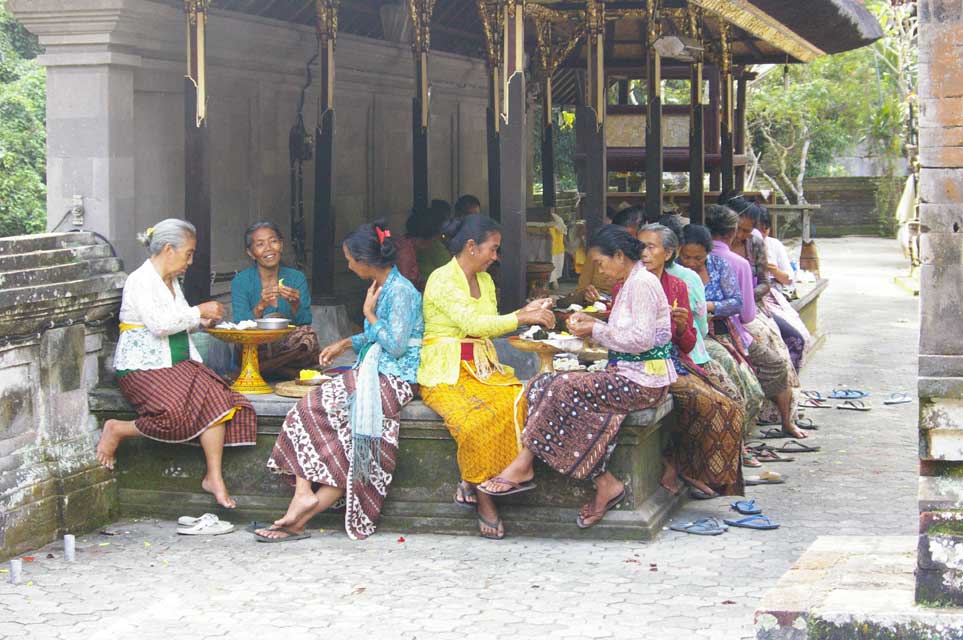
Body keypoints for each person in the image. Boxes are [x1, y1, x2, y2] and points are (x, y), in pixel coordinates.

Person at [479, 225, 675, 529]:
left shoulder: (643, 284)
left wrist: (595, 330)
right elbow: (627, 332)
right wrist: (594, 324)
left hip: (644, 382)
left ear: (620, 256)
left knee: (562, 386)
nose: (600, 271)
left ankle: (523, 465)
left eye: (600, 263)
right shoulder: (631, 283)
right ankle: (603, 480)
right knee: (542, 384)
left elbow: (642, 340)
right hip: (627, 375)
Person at [257, 221, 423, 541]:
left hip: (396, 378)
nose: (347, 265)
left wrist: (368, 313)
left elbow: (396, 344)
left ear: (365, 259)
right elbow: (378, 338)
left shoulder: (400, 291)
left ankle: (301, 509)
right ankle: (301, 502)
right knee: (314, 414)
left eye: (349, 259)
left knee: (319, 412)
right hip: (375, 370)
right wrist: (345, 344)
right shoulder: (382, 285)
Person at [96, 218, 256, 509]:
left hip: (179, 365)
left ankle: (214, 476)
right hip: (143, 369)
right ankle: (117, 428)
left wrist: (202, 321)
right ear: (169, 249)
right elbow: (159, 325)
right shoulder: (140, 280)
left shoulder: (171, 282)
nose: (190, 261)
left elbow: (180, 321)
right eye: (189, 253)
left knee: (221, 400)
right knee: (172, 415)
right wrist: (198, 311)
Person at [417, 214, 555, 540]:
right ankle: (484, 498)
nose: (495, 256)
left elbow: (489, 326)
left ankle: (495, 476)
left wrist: (526, 312)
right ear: (471, 246)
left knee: (516, 400)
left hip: (484, 370)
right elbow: (473, 326)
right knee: (473, 419)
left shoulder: (488, 282)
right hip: (445, 374)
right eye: (492, 248)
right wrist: (523, 314)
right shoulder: (441, 279)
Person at [638, 224, 745, 498]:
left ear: (668, 253)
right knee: (707, 404)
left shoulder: (677, 285)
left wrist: (684, 327)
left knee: (730, 406)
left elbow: (689, 341)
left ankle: (717, 480)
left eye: (651, 247)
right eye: (641, 246)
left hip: (678, 360)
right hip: (645, 365)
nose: (644, 254)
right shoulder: (632, 283)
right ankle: (684, 466)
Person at [705, 206, 806, 440]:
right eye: (740, 231)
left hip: (720, 328)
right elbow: (746, 313)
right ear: (731, 232)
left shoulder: (700, 260)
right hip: (728, 331)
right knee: (774, 365)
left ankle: (781, 420)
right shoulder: (734, 262)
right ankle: (774, 425)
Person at [678, 223, 766, 466]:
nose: (692, 262)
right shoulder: (675, 274)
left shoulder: (720, 265)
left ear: (708, 253)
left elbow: (737, 302)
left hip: (721, 332)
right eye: (686, 256)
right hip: (695, 337)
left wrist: (710, 307)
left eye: (698, 257)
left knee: (753, 390)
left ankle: (740, 440)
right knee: (730, 385)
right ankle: (737, 449)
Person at [728, 198, 809, 374]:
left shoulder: (754, 242)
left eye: (746, 231)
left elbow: (765, 283)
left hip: (754, 306)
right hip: (725, 313)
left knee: (795, 340)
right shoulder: (716, 245)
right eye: (737, 229)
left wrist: (746, 297)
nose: (741, 235)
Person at [231, 221, 319, 379]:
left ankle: (261, 370)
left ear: (281, 245)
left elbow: (305, 321)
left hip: (288, 345)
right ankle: (283, 371)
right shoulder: (241, 280)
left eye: (273, 241)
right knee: (242, 346)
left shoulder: (296, 277)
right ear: (251, 253)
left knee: (308, 337)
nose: (269, 249)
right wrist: (260, 307)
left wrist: (295, 303)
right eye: (260, 244)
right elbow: (240, 326)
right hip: (258, 345)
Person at [756, 207, 813, 371]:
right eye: (757, 229)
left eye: (765, 229)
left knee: (802, 336)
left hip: (774, 295)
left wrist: (772, 269)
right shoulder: (746, 246)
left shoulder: (774, 245)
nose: (761, 234)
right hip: (758, 301)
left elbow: (788, 279)